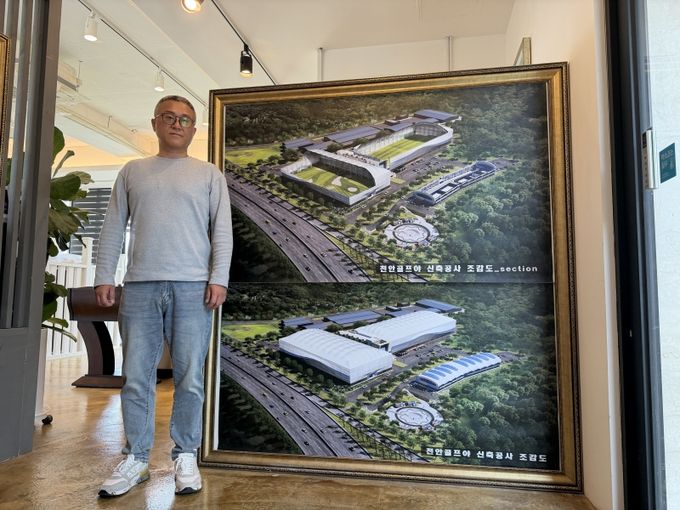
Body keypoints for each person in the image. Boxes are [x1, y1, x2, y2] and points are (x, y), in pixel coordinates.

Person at [94, 95, 233, 497]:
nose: (177, 124)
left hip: (193, 288)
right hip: (140, 286)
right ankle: (136, 458)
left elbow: (222, 232)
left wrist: (219, 278)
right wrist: (104, 276)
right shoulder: (132, 171)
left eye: (185, 119)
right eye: (169, 117)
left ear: (193, 129)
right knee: (136, 377)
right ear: (155, 123)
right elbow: (113, 227)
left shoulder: (208, 175)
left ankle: (185, 455)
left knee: (190, 377)